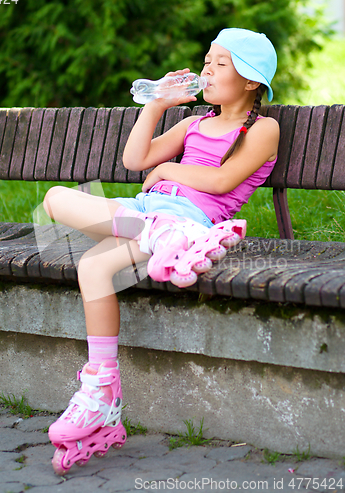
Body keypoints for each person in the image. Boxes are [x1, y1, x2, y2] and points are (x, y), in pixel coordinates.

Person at [43, 27, 280, 475]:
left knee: (93, 263)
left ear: (250, 80)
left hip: (190, 222)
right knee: (58, 203)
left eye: (220, 64)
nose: (207, 69)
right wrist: (156, 105)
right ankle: (102, 395)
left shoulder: (264, 129)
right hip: (146, 218)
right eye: (207, 61)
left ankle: (162, 239)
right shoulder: (194, 123)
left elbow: (221, 182)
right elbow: (136, 160)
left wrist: (170, 167)